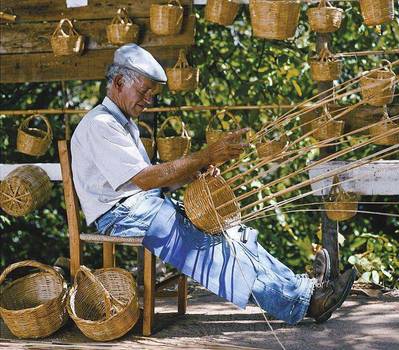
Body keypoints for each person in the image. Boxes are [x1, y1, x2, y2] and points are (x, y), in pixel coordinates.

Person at [71, 43, 355, 325]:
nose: (149, 99)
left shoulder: (123, 124)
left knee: (229, 228)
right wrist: (204, 155)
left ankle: (301, 288)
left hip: (143, 207)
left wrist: (195, 172)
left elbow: (148, 181)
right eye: (144, 91)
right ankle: (306, 304)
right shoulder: (100, 124)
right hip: (119, 216)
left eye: (152, 94)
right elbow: (145, 179)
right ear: (120, 82)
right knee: (207, 243)